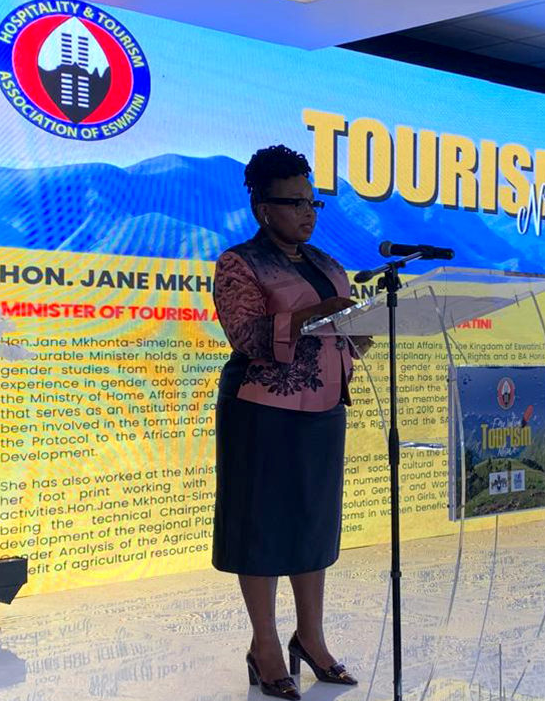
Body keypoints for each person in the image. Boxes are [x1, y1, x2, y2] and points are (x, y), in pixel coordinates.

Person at [211, 145, 366, 699]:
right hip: (261, 412)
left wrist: (362, 328)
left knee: (311, 525)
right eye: (295, 202)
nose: (308, 212)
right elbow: (247, 336)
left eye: (313, 202)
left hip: (323, 411)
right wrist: (315, 315)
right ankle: (266, 646)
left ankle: (312, 638)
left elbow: (342, 339)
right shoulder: (240, 263)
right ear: (262, 208)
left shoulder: (327, 264)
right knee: (262, 528)